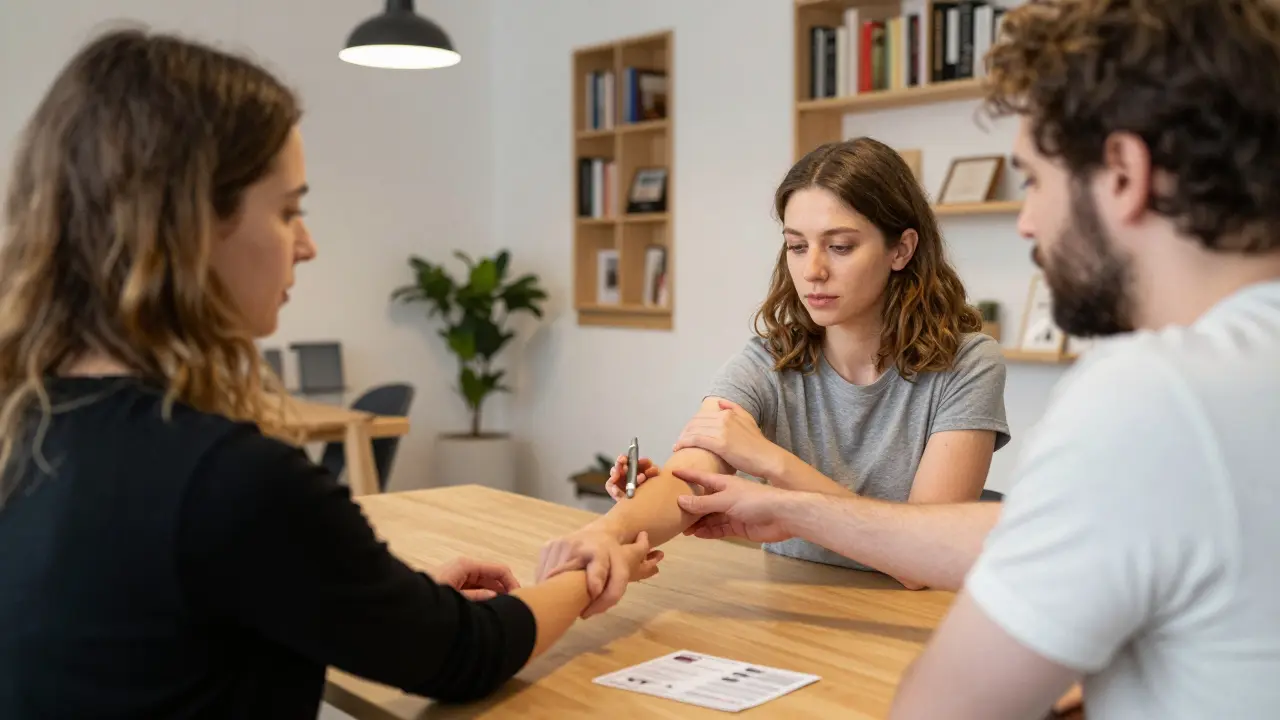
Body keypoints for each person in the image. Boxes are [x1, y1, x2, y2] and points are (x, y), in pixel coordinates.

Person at [627, 1, 1280, 718]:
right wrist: (777, 506)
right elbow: (1013, 531)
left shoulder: (1154, 395)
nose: (1027, 220)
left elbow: (945, 709)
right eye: (797, 243)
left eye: (1034, 178)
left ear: (1122, 172)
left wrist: (783, 486)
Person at [0, 28, 659, 719]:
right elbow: (464, 653)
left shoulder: (29, 430)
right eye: (288, 211)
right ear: (190, 225)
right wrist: (590, 569)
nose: (307, 245)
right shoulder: (227, 479)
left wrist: (363, 596)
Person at [537, 136, 1010, 598]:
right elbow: (690, 478)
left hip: (908, 621)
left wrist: (769, 462)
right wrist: (608, 532)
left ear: (901, 250)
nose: (812, 271)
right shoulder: (769, 359)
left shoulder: (968, 365)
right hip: (790, 604)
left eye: (840, 246)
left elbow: (923, 560)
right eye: (797, 246)